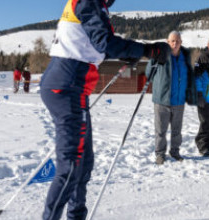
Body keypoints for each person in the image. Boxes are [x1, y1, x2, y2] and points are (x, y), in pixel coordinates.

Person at [39, 0, 170, 219]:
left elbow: (96, 47)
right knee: (71, 165)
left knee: (83, 163)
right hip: (66, 86)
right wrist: (147, 49)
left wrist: (135, 52)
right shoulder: (87, 2)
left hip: (73, 88)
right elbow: (104, 43)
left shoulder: (94, 5)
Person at [145, 31, 196, 165]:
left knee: (176, 130)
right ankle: (160, 154)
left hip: (179, 101)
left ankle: (175, 151)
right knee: (160, 130)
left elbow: (189, 76)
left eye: (177, 41)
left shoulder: (185, 58)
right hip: (162, 100)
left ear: (181, 42)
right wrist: (153, 59)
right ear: (168, 42)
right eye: (172, 41)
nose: (175, 43)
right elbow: (148, 73)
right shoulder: (161, 55)